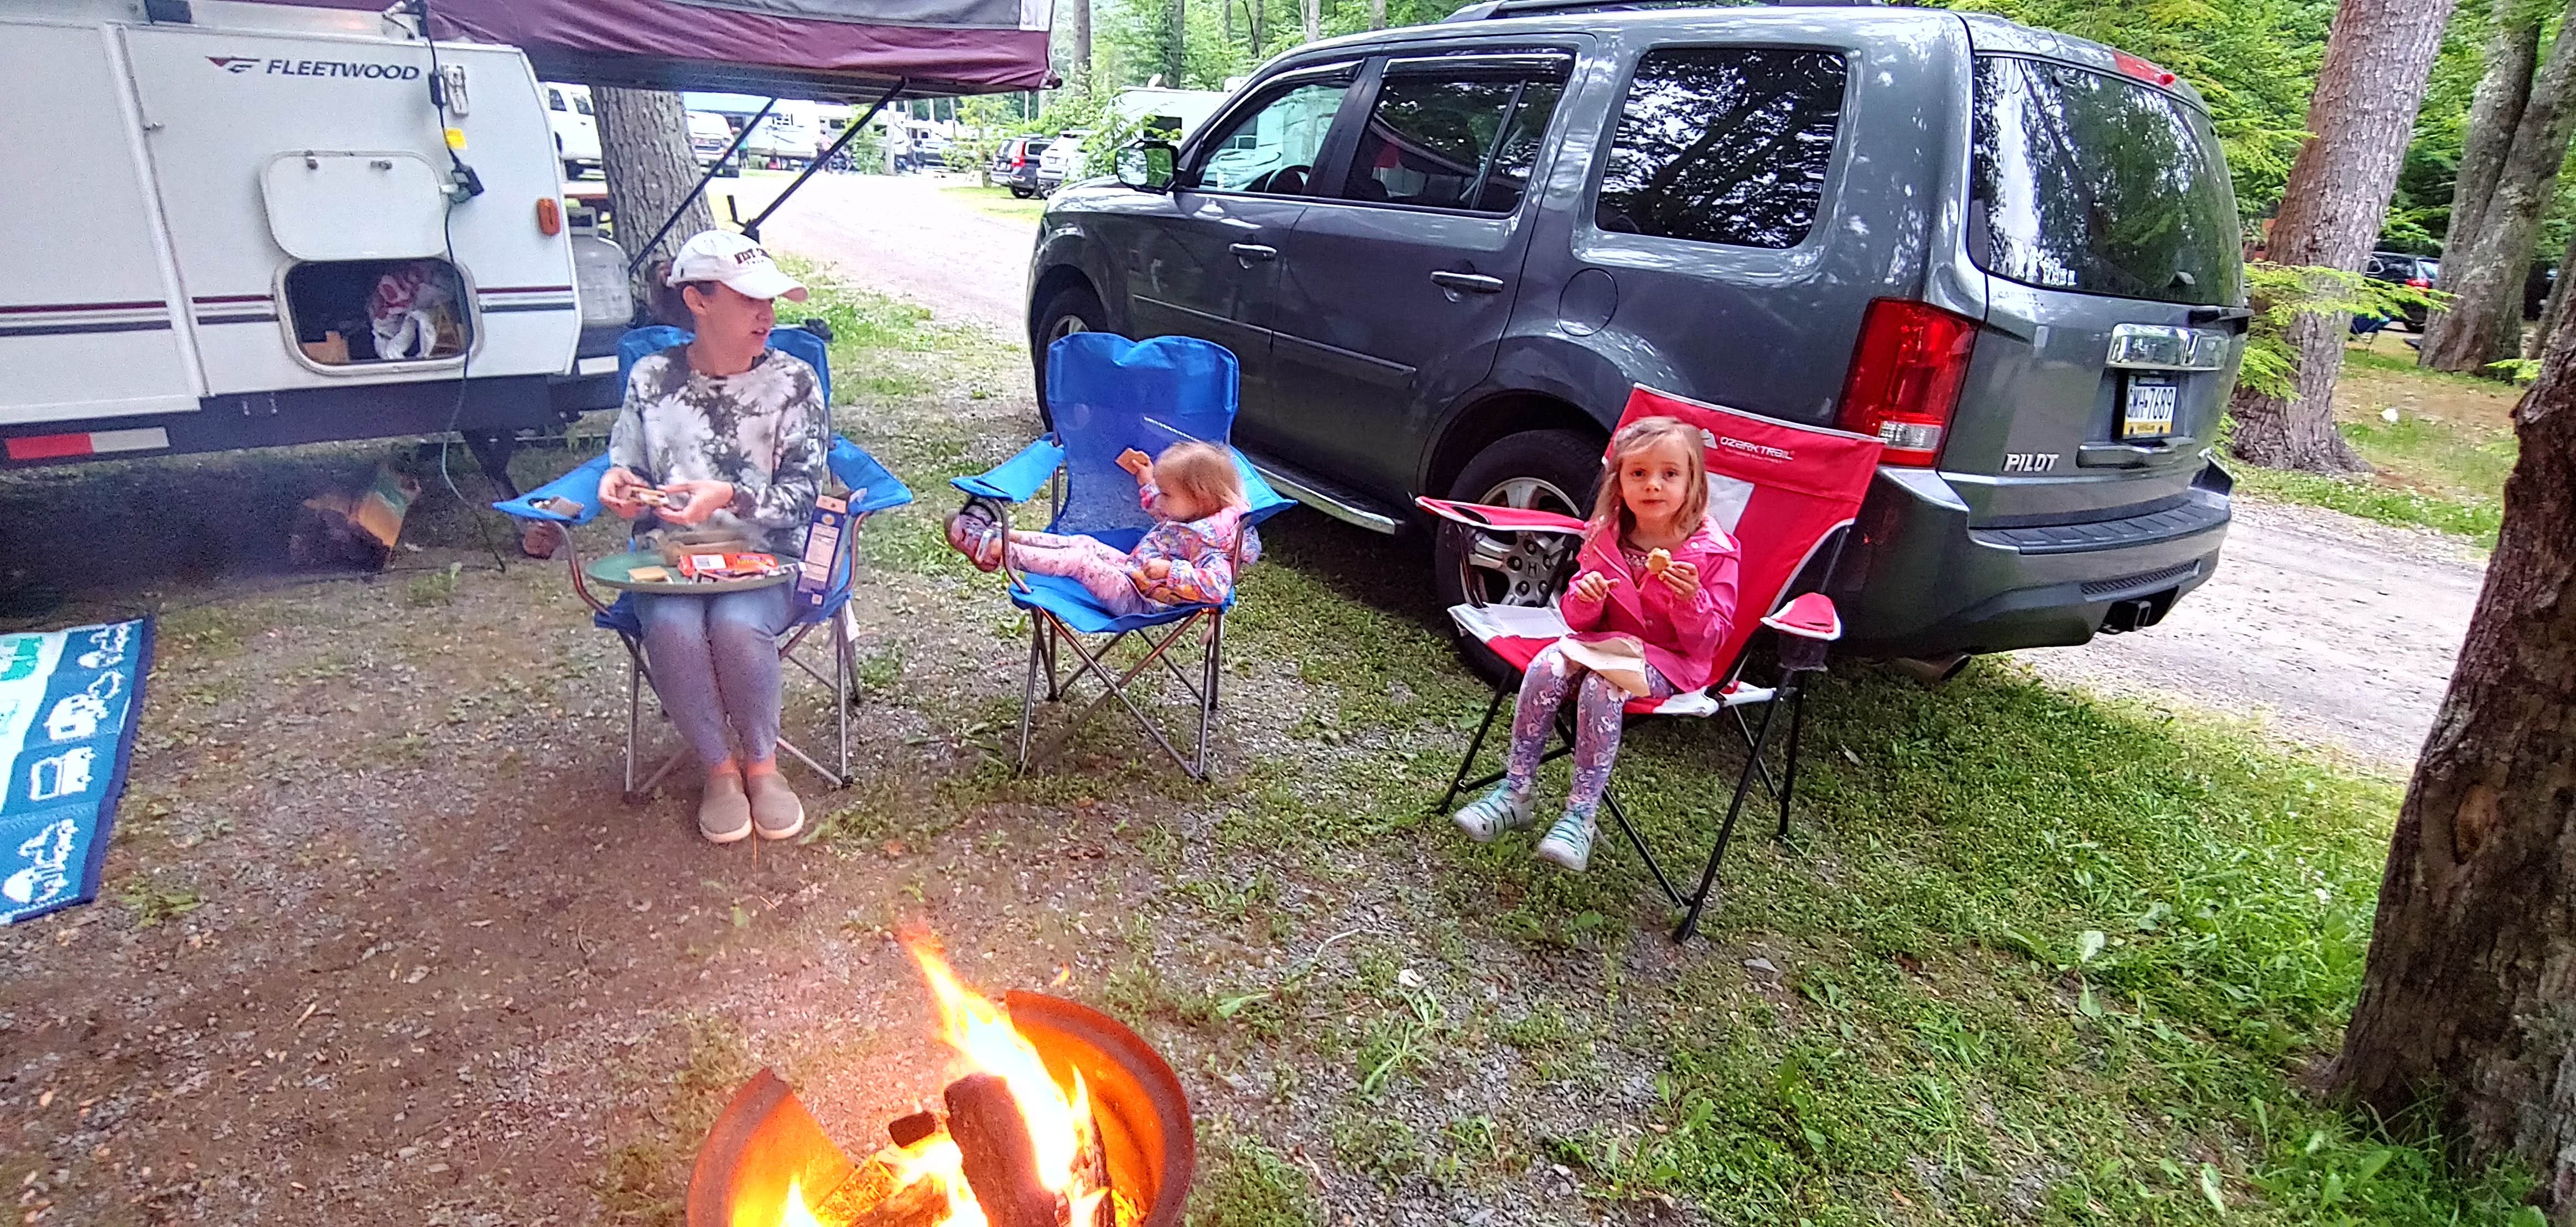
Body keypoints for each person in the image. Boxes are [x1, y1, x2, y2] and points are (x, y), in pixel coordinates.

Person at [599, 230, 827, 845]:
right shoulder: (652, 378)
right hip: (669, 557)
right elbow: (629, 469)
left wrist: (728, 495)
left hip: (765, 555)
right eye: (750, 299)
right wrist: (622, 486)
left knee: (733, 624)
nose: (767, 314)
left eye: (772, 300)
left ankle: (763, 765)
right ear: (698, 301)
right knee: (672, 626)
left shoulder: (795, 382)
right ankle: (718, 770)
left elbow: (804, 495)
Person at [1450, 417, 1741, 872]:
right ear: (1620, 482)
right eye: (1638, 474)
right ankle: (1515, 791)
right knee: (1546, 667)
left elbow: (1713, 640)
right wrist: (1584, 599)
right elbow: (1578, 617)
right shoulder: (1605, 537)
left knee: (1601, 688)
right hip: (1601, 644)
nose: (1653, 485)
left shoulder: (1713, 553)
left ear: (1693, 484)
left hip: (1671, 662)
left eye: (1670, 474)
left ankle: (1580, 816)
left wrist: (1691, 600)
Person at [942, 440, 1260, 613]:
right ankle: (1001, 536)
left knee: (1080, 562)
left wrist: (1170, 571)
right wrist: (1149, 482)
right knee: (1083, 543)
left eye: (1167, 494)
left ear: (1200, 500)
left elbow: (1218, 587)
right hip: (1131, 573)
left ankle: (996, 552)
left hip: (1144, 601)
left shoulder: (1215, 543)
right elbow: (1164, 512)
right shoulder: (1188, 517)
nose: (1160, 500)